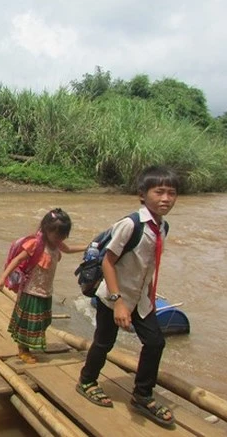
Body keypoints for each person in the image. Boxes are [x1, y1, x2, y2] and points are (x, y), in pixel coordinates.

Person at [76, 165, 179, 429]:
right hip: (114, 295)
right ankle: (87, 381)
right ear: (142, 194)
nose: (166, 198)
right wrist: (118, 301)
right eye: (159, 192)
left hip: (140, 298)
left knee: (155, 343)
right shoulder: (130, 224)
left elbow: (147, 265)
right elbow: (109, 262)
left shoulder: (162, 226)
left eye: (171, 193)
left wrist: (151, 296)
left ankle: (142, 395)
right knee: (104, 342)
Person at [0, 208, 86, 364]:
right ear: (46, 229)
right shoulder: (35, 244)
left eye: (63, 236)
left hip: (45, 290)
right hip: (31, 290)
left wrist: (88, 246)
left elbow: (69, 249)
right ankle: (23, 349)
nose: (60, 239)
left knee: (41, 321)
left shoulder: (56, 244)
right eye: (58, 235)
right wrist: (2, 278)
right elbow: (16, 260)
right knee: (28, 321)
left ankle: (28, 345)